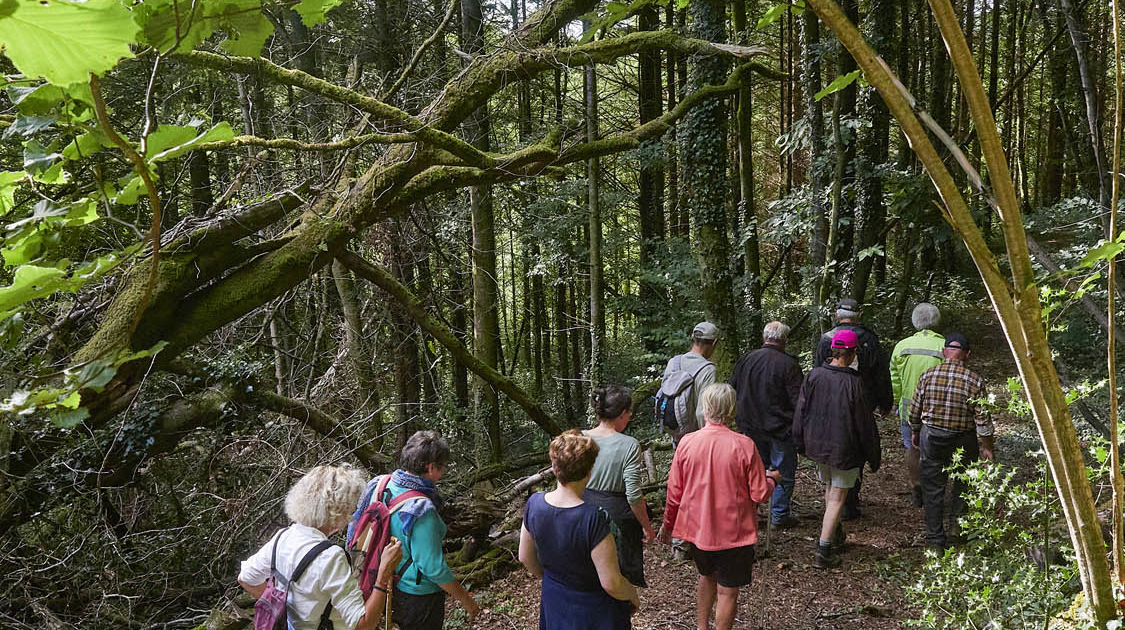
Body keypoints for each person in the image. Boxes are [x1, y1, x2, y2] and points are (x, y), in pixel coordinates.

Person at [657, 384, 780, 630]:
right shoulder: (744, 445)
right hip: (735, 534)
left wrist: (667, 525)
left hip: (698, 531)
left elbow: (674, 493)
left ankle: (702, 628)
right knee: (727, 592)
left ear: (705, 408)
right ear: (732, 410)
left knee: (706, 577)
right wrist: (772, 480)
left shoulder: (687, 443)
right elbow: (759, 494)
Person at [238, 465, 404, 630]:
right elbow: (364, 624)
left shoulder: (283, 537)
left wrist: (282, 611)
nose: (351, 516)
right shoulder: (331, 557)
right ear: (339, 511)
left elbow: (246, 578)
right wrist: (384, 574)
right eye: (350, 508)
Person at [519, 430, 640, 630]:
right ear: (589, 472)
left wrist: (552, 580)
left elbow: (525, 557)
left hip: (554, 601)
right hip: (594, 612)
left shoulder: (534, 504)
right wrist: (632, 594)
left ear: (554, 467)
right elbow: (611, 582)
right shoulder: (592, 518)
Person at [794, 329, 881, 569]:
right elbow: (865, 425)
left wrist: (800, 442)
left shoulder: (814, 375)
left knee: (831, 489)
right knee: (837, 496)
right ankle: (824, 550)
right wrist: (873, 456)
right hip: (844, 449)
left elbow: (801, 411)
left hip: (819, 446)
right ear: (852, 353)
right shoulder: (854, 383)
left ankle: (833, 532)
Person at [378, 431, 480, 630]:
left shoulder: (383, 484)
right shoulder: (421, 510)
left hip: (388, 584)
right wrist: (468, 602)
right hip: (417, 597)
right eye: (442, 467)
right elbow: (432, 568)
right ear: (431, 467)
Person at [909, 333, 994, 550]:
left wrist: (915, 431)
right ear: (967, 354)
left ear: (944, 352)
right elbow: (982, 419)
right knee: (963, 482)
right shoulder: (974, 380)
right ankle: (957, 528)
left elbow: (915, 410)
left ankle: (936, 538)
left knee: (933, 487)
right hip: (963, 439)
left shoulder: (928, 375)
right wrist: (986, 446)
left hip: (932, 437)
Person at [813, 298, 893, 520]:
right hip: (862, 403)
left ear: (838, 316)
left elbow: (817, 372)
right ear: (858, 315)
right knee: (856, 448)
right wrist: (885, 401)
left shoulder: (825, 340)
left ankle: (839, 499)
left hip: (830, 404)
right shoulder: (869, 338)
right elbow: (880, 373)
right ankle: (849, 497)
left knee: (835, 444)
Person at [728, 321, 803, 528]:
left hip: (749, 427)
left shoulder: (746, 360)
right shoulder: (789, 364)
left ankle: (751, 512)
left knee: (753, 472)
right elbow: (798, 401)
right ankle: (778, 516)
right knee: (783, 474)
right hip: (780, 429)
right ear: (784, 340)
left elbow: (731, 390)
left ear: (765, 337)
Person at [583, 385, 657, 587]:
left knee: (588, 577)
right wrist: (647, 528)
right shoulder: (629, 445)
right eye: (629, 412)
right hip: (616, 522)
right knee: (617, 580)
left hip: (581, 515)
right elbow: (633, 495)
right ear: (622, 414)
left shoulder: (580, 438)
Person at [890, 303, 945, 508]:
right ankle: (934, 489)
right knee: (935, 450)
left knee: (912, 448)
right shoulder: (945, 347)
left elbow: (894, 379)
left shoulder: (902, 346)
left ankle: (916, 487)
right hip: (938, 410)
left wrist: (896, 401)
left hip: (908, 408)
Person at [659, 321, 719, 444]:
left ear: (692, 337)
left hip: (675, 433)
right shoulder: (708, 369)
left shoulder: (674, 362)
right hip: (695, 438)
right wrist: (706, 441)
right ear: (714, 342)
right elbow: (703, 411)